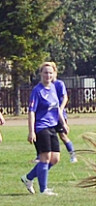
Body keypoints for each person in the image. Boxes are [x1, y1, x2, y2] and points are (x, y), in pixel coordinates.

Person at [21, 61, 68, 195]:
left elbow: (57, 108)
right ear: (41, 74)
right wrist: (31, 131)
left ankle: (28, 178)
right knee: (45, 157)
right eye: (45, 72)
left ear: (54, 74)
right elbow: (31, 111)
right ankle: (44, 189)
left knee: (55, 159)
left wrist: (63, 123)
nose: (48, 75)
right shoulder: (37, 90)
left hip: (52, 126)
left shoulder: (53, 88)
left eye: (50, 72)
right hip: (41, 127)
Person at [53, 74, 78, 162]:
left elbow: (65, 97)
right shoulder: (44, 85)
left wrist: (61, 108)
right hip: (48, 116)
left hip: (59, 115)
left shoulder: (59, 84)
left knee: (63, 136)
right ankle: (40, 157)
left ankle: (73, 155)